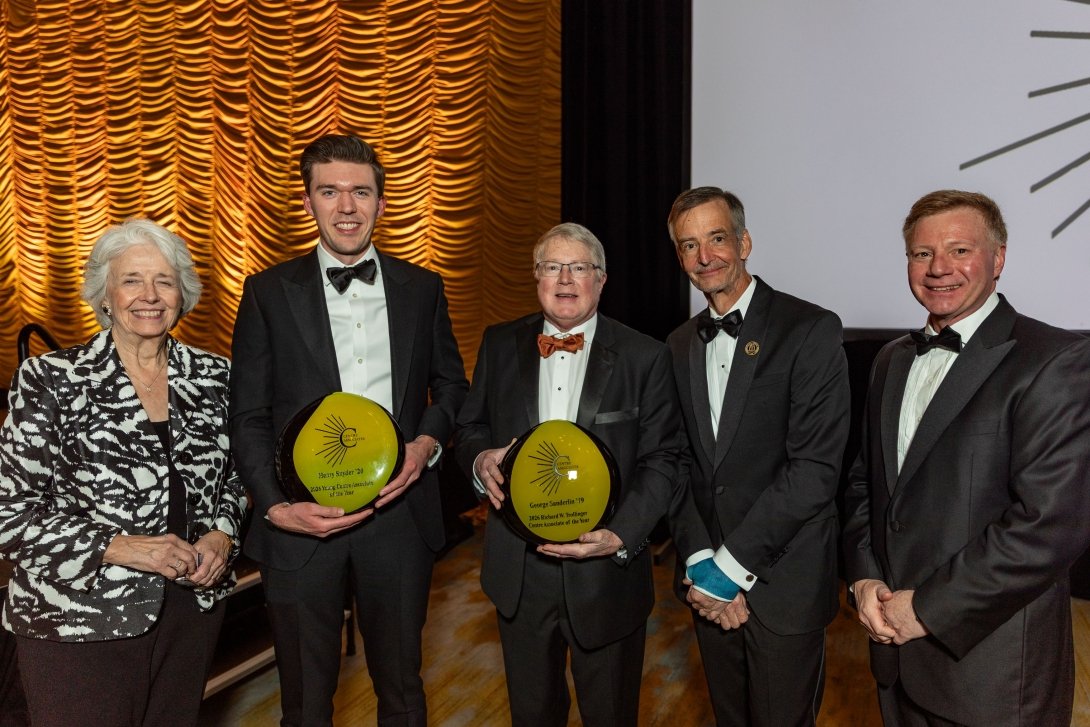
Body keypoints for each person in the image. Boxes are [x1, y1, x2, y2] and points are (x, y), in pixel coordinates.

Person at [229, 133, 468, 727]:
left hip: (399, 515)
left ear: (382, 203)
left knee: (404, 695)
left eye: (360, 192)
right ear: (307, 201)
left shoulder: (423, 288)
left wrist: (426, 445)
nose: (346, 207)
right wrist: (276, 506)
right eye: (329, 191)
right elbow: (248, 415)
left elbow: (454, 388)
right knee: (305, 705)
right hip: (301, 524)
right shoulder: (265, 293)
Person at [842, 189, 1090, 725]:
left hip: (991, 677)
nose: (938, 269)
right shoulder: (890, 360)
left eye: (959, 250)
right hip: (893, 656)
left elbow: (1049, 527)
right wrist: (863, 580)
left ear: (998, 259)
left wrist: (926, 610)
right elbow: (866, 485)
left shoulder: (1055, 361)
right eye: (922, 253)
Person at [0, 219, 246, 726]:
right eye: (132, 279)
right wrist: (122, 545)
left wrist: (223, 534)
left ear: (183, 294)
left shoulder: (216, 376)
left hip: (189, 611)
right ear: (105, 295)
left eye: (164, 280)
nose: (149, 295)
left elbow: (240, 477)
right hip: (76, 619)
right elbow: (9, 513)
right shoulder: (51, 379)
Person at [454, 222, 683, 727]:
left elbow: (664, 460)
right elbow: (469, 426)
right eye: (552, 266)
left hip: (606, 571)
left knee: (610, 715)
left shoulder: (645, 356)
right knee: (532, 715)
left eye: (578, 267)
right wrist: (479, 459)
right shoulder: (498, 342)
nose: (564, 278)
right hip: (518, 570)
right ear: (536, 277)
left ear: (601, 280)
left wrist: (620, 535)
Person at [664, 187, 851, 727]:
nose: (705, 256)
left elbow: (814, 473)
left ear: (744, 242)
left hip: (781, 583)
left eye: (717, 238)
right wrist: (700, 560)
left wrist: (729, 570)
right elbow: (676, 462)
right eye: (689, 245)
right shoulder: (677, 344)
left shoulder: (809, 329)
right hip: (706, 586)